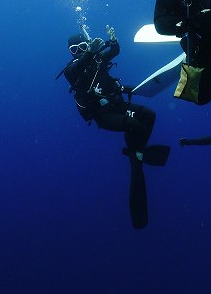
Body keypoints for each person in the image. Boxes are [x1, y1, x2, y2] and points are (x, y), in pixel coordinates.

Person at [60, 25, 169, 229]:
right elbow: (76, 68)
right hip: (103, 115)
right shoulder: (71, 71)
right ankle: (135, 155)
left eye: (82, 46)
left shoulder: (97, 60)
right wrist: (91, 51)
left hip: (118, 106)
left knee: (149, 115)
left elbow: (115, 51)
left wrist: (114, 40)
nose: (79, 51)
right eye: (74, 49)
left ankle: (137, 152)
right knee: (133, 123)